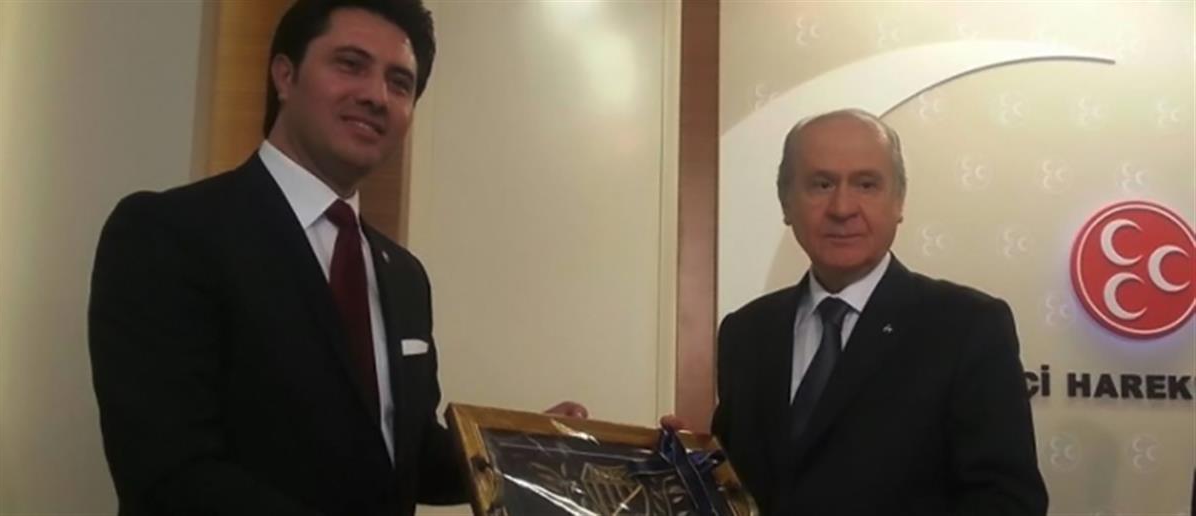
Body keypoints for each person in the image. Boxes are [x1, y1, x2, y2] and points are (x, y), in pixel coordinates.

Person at [88, 1, 583, 514]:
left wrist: (521, 452)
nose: (376, 96)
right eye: (350, 64)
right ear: (285, 75)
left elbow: (405, 453)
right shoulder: (168, 234)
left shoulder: (405, 276)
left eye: (400, 83)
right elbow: (170, 474)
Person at [690, 109, 1048, 515]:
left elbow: (1009, 503)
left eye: (866, 184)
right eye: (821, 184)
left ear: (898, 201)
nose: (842, 207)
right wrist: (679, 467)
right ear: (785, 203)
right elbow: (734, 492)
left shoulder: (968, 327)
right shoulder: (746, 332)